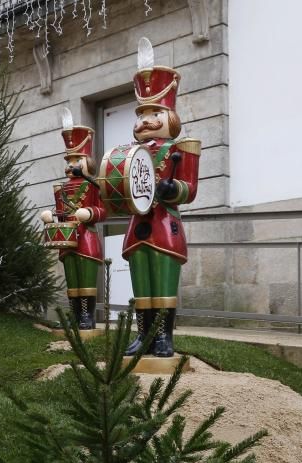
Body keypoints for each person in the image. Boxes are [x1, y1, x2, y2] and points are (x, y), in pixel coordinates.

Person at [122, 37, 201, 358]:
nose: (146, 120)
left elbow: (190, 189)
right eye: (141, 114)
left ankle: (164, 337)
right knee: (142, 284)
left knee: (164, 284)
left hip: (165, 225)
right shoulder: (130, 154)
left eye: (155, 112)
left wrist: (173, 189)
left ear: (171, 115)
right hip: (138, 226)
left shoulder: (181, 149)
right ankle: (144, 335)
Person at [40, 111, 106, 330]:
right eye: (69, 160)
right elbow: (61, 212)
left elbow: (104, 210)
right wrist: (51, 216)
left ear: (87, 160)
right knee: (72, 280)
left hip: (86, 238)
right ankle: (75, 315)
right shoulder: (62, 188)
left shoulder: (94, 185)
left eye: (76, 159)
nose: (71, 164)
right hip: (67, 239)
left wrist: (90, 213)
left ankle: (87, 316)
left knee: (85, 279)